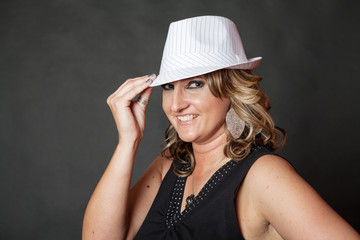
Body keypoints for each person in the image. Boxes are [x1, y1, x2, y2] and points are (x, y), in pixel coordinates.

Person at [82, 16, 359, 240]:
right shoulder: (169, 166)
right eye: (169, 87)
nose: (176, 104)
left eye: (195, 84)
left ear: (232, 90)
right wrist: (128, 142)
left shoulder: (263, 176)